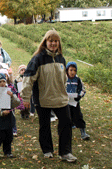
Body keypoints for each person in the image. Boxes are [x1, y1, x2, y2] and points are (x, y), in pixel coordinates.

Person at [21, 30, 77, 163]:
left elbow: (63, 79)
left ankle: (65, 152)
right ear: (45, 42)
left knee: (66, 124)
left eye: (55, 41)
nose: (53, 43)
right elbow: (28, 79)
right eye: (50, 41)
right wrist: (26, 98)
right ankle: (47, 150)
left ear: (59, 43)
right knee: (44, 126)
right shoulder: (37, 59)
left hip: (60, 98)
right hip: (43, 99)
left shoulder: (61, 58)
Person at [0, 73, 20, 158]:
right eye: (0, 82)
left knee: (9, 137)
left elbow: (16, 103)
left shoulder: (9, 92)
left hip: (9, 118)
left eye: (3, 81)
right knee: (0, 136)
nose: (2, 83)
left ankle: (7, 152)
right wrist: (1, 112)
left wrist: (12, 96)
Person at [66, 61, 90, 140]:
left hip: (75, 102)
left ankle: (83, 133)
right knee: (66, 117)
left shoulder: (78, 80)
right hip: (65, 102)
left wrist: (79, 96)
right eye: (71, 70)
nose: (73, 72)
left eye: (75, 70)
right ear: (67, 70)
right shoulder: (63, 79)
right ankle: (66, 134)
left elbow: (83, 90)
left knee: (78, 116)